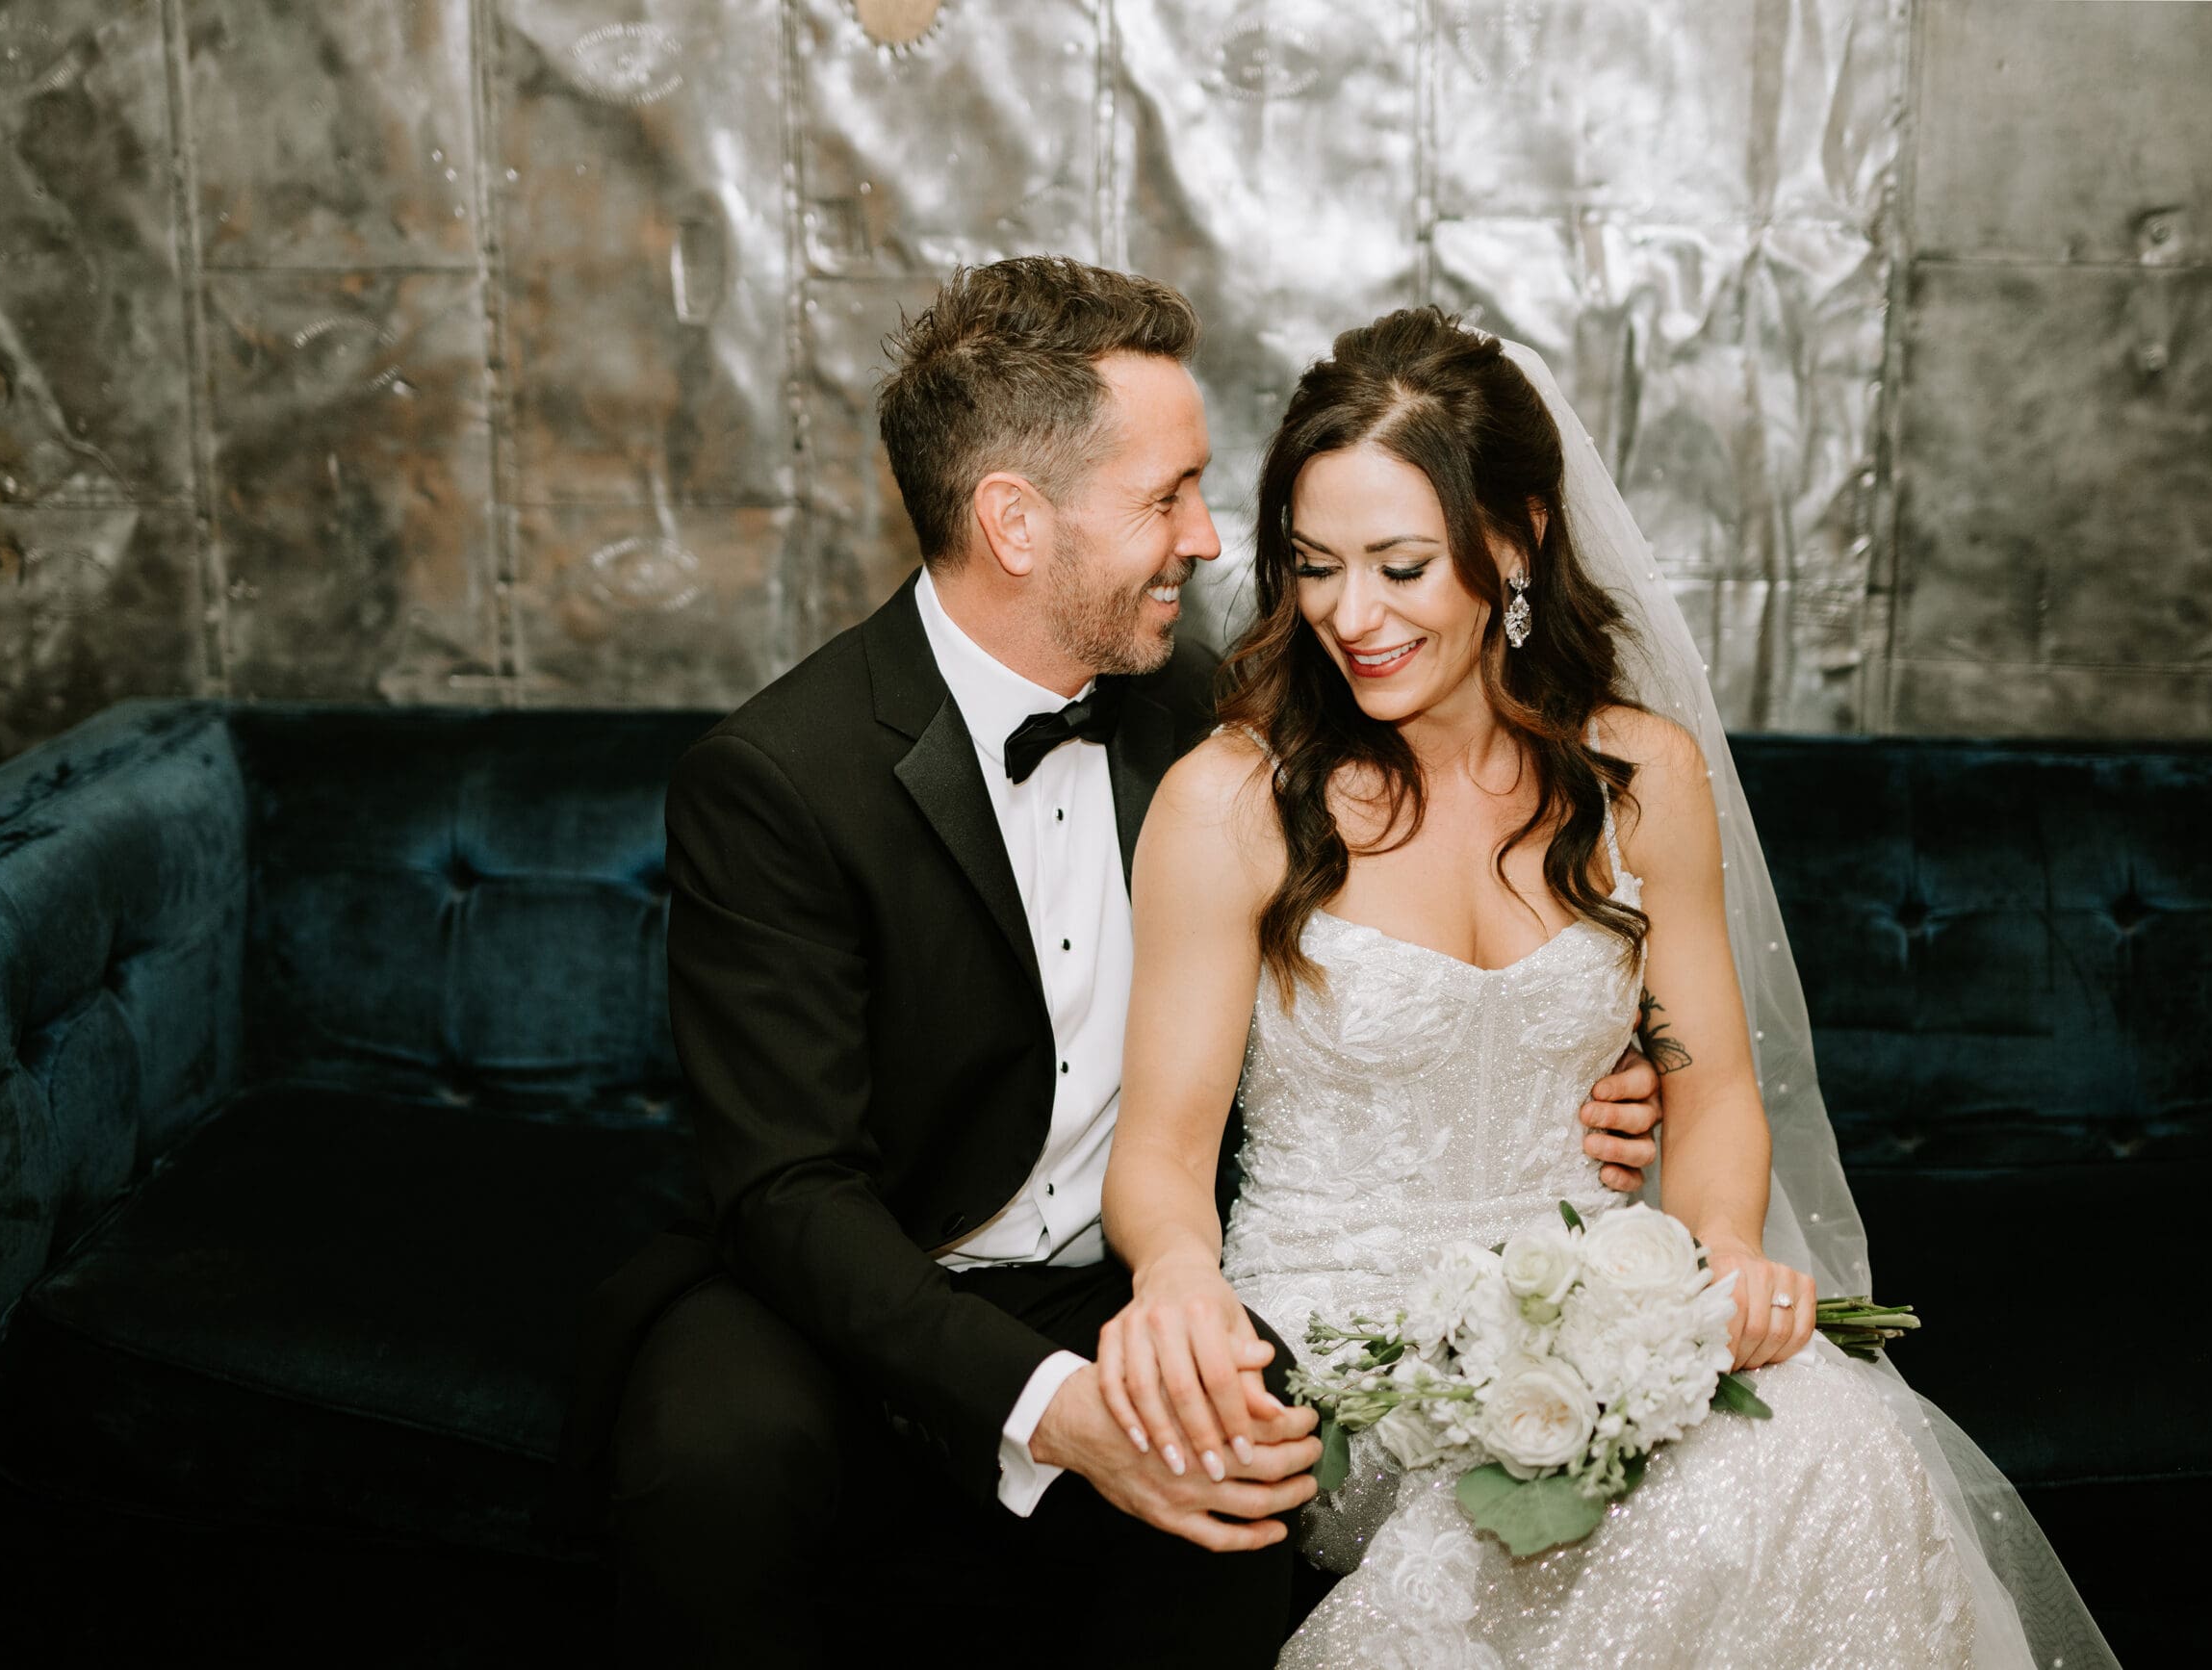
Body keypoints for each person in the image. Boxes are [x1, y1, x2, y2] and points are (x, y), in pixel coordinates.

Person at [572, 260, 1669, 1666]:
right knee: (712, 1454)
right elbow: (788, 1192)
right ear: (1016, 523)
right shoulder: (777, 779)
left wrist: (1594, 1059)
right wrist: (1049, 1404)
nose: (1208, 539)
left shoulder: (1218, 720)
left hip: (1130, 1265)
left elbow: (1445, 876)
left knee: (1238, 1425)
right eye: (1167, 497)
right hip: (852, 1271)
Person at [1097, 309, 2120, 1667]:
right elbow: (1159, 1151)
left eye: (1402, 567)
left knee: (1836, 1438)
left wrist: (1726, 1252)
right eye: (1318, 565)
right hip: (1348, 1353)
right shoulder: (1231, 801)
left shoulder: (1643, 778)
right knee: (1653, 1511)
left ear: (1513, 543)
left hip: (1599, 1312)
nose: (1353, 615)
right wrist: (1177, 1278)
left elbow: (1712, 1101)